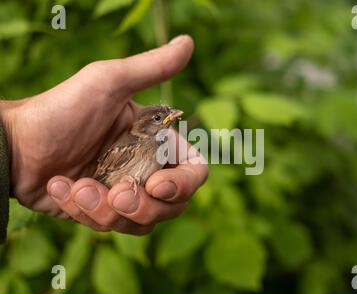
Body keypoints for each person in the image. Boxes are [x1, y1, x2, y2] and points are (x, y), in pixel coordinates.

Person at [0, 35, 208, 239]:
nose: (170, 117)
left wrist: (14, 145)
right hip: (102, 182)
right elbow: (105, 174)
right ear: (144, 125)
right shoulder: (136, 143)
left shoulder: (163, 144)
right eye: (157, 117)